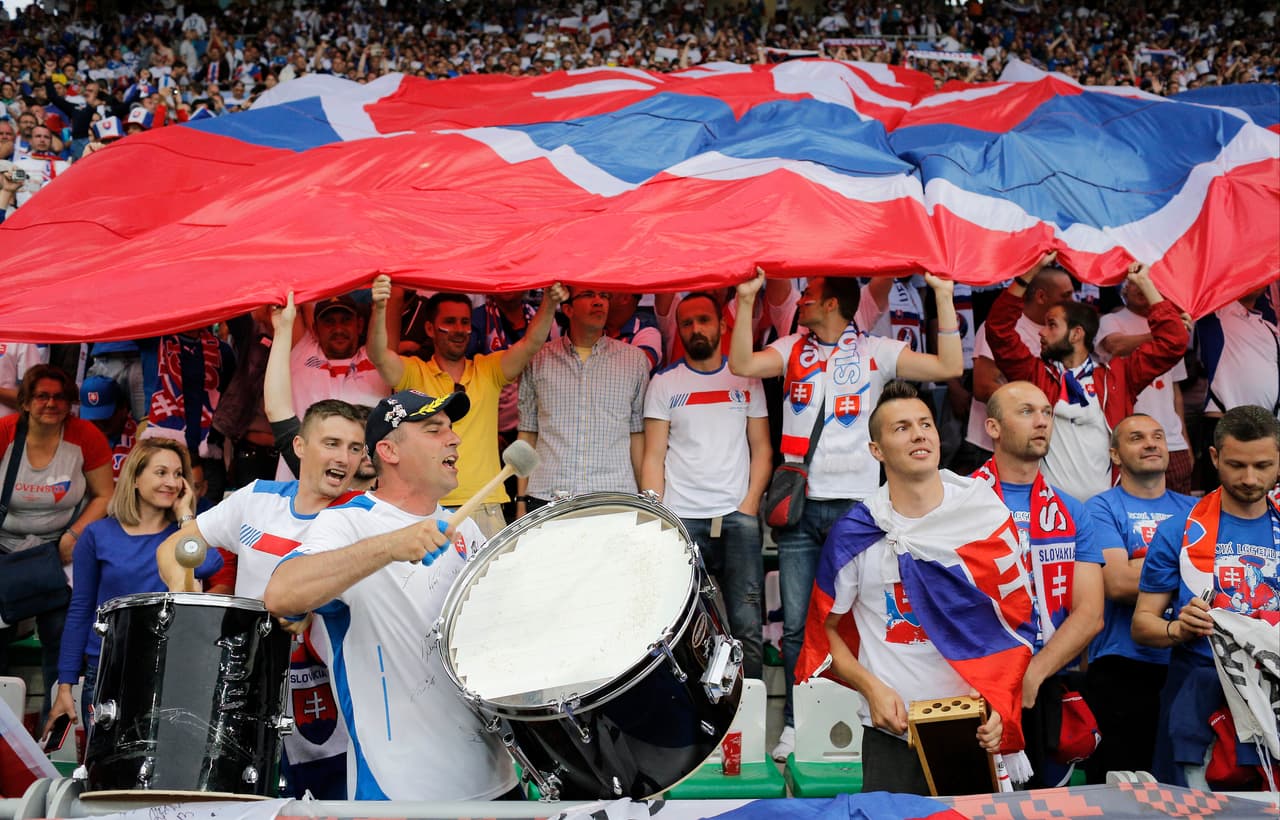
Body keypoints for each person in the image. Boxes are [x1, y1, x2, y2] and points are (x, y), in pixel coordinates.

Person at [728, 269, 964, 760]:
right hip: (801, 508)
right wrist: (747, 299)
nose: (800, 301)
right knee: (796, 625)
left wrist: (942, 294)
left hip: (859, 511)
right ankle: (796, 722)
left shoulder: (876, 350)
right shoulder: (793, 346)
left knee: (858, 623)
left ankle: (856, 721)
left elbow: (947, 367)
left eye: (809, 294)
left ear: (833, 304)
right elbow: (743, 361)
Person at [263, 390, 518, 801]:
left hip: (497, 779)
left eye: (452, 430)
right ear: (388, 450)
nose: (453, 439)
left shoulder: (464, 528)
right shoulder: (347, 521)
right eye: (434, 430)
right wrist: (390, 546)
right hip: (400, 790)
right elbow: (281, 594)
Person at [796, 380, 1029, 793]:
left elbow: (1012, 627)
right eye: (901, 427)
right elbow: (827, 630)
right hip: (889, 732)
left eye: (925, 424)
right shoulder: (857, 532)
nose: (919, 433)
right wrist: (871, 688)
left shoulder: (985, 516)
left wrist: (1000, 702)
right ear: (876, 451)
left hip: (972, 729)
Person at [1133, 405, 1280, 788]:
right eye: (1236, 465)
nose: (1250, 478)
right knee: (1191, 809)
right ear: (1214, 457)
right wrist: (1177, 629)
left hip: (1274, 690)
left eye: (1263, 465)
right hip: (1199, 690)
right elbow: (1143, 624)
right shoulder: (1179, 530)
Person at [976, 380, 1104, 787]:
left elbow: (1090, 614)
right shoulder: (957, 499)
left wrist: (1033, 674)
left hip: (1046, 684)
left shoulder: (1071, 510)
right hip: (977, 684)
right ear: (993, 427)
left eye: (1047, 412)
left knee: (1045, 806)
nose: (1042, 422)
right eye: (1027, 412)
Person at [46, 440, 221, 734]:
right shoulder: (97, 534)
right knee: (105, 772)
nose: (172, 482)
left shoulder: (180, 535)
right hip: (106, 668)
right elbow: (81, 610)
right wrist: (65, 684)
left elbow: (210, 562)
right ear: (135, 479)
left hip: (169, 667)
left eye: (178, 474)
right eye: (161, 472)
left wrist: (185, 516)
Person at [369, 279, 566, 536]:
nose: (459, 329)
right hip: (427, 504)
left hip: (485, 504)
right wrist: (380, 307)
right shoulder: (413, 372)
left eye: (464, 322)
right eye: (449, 322)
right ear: (429, 328)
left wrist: (550, 303)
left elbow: (530, 344)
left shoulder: (488, 370)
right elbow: (378, 355)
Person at [641, 292, 771, 679]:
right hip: (681, 521)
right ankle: (698, 725)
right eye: (687, 323)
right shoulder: (664, 383)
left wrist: (747, 507)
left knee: (747, 626)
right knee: (681, 628)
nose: (695, 329)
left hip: (737, 518)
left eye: (704, 320)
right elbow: (653, 456)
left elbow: (762, 449)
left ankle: (749, 720)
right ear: (678, 330)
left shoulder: (746, 377)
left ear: (722, 325)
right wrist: (660, 517)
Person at [986, 258, 1188, 502]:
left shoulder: (1117, 376)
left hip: (1106, 508)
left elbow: (1173, 341)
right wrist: (1029, 273)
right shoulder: (1035, 376)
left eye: (1051, 325)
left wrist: (1145, 284)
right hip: (1049, 509)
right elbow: (998, 329)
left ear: (1076, 334)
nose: (1041, 331)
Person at [1082, 414, 1194, 783]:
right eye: (1137, 437)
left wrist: (1141, 565)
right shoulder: (1099, 507)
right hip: (1122, 664)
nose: (1150, 443)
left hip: (1185, 663)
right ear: (1114, 455)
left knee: (1179, 784)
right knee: (1121, 786)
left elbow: (1213, 583)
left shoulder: (1195, 509)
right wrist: (1181, 571)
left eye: (1158, 436)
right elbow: (1116, 582)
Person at [0, 365, 114, 718]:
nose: (51, 403)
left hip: (59, 548)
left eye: (60, 397)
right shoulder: (4, 432)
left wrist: (76, 533)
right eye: (42, 396)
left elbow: (104, 495)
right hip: (5, 548)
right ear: (26, 402)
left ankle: (56, 725)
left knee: (62, 634)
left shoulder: (86, 436)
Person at [516, 286, 650, 514]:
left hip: (614, 495)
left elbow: (637, 435)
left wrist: (646, 502)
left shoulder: (634, 360)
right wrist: (520, 500)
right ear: (567, 309)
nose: (599, 302)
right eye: (588, 295)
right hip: (548, 495)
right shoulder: (538, 359)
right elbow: (528, 433)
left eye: (604, 295)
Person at [1096, 279, 1194, 493]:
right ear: (1123, 290)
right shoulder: (1111, 320)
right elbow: (1115, 345)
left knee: (1180, 513)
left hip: (1172, 440)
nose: (1140, 288)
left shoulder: (1170, 325)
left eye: (1148, 283)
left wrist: (1185, 440)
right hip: (1130, 439)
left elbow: (1175, 390)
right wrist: (1165, 334)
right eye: (1133, 283)